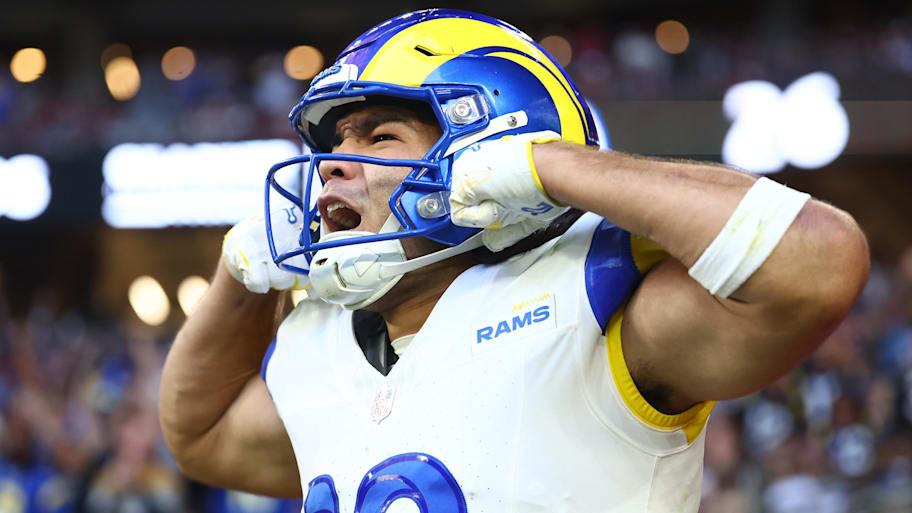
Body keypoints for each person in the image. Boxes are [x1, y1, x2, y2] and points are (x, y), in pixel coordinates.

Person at [158, 9, 869, 513]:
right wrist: (237, 280)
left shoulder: (586, 301)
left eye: (379, 137)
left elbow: (820, 263)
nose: (331, 168)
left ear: (488, 145)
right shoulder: (321, 340)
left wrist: (556, 166)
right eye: (335, 143)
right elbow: (198, 435)